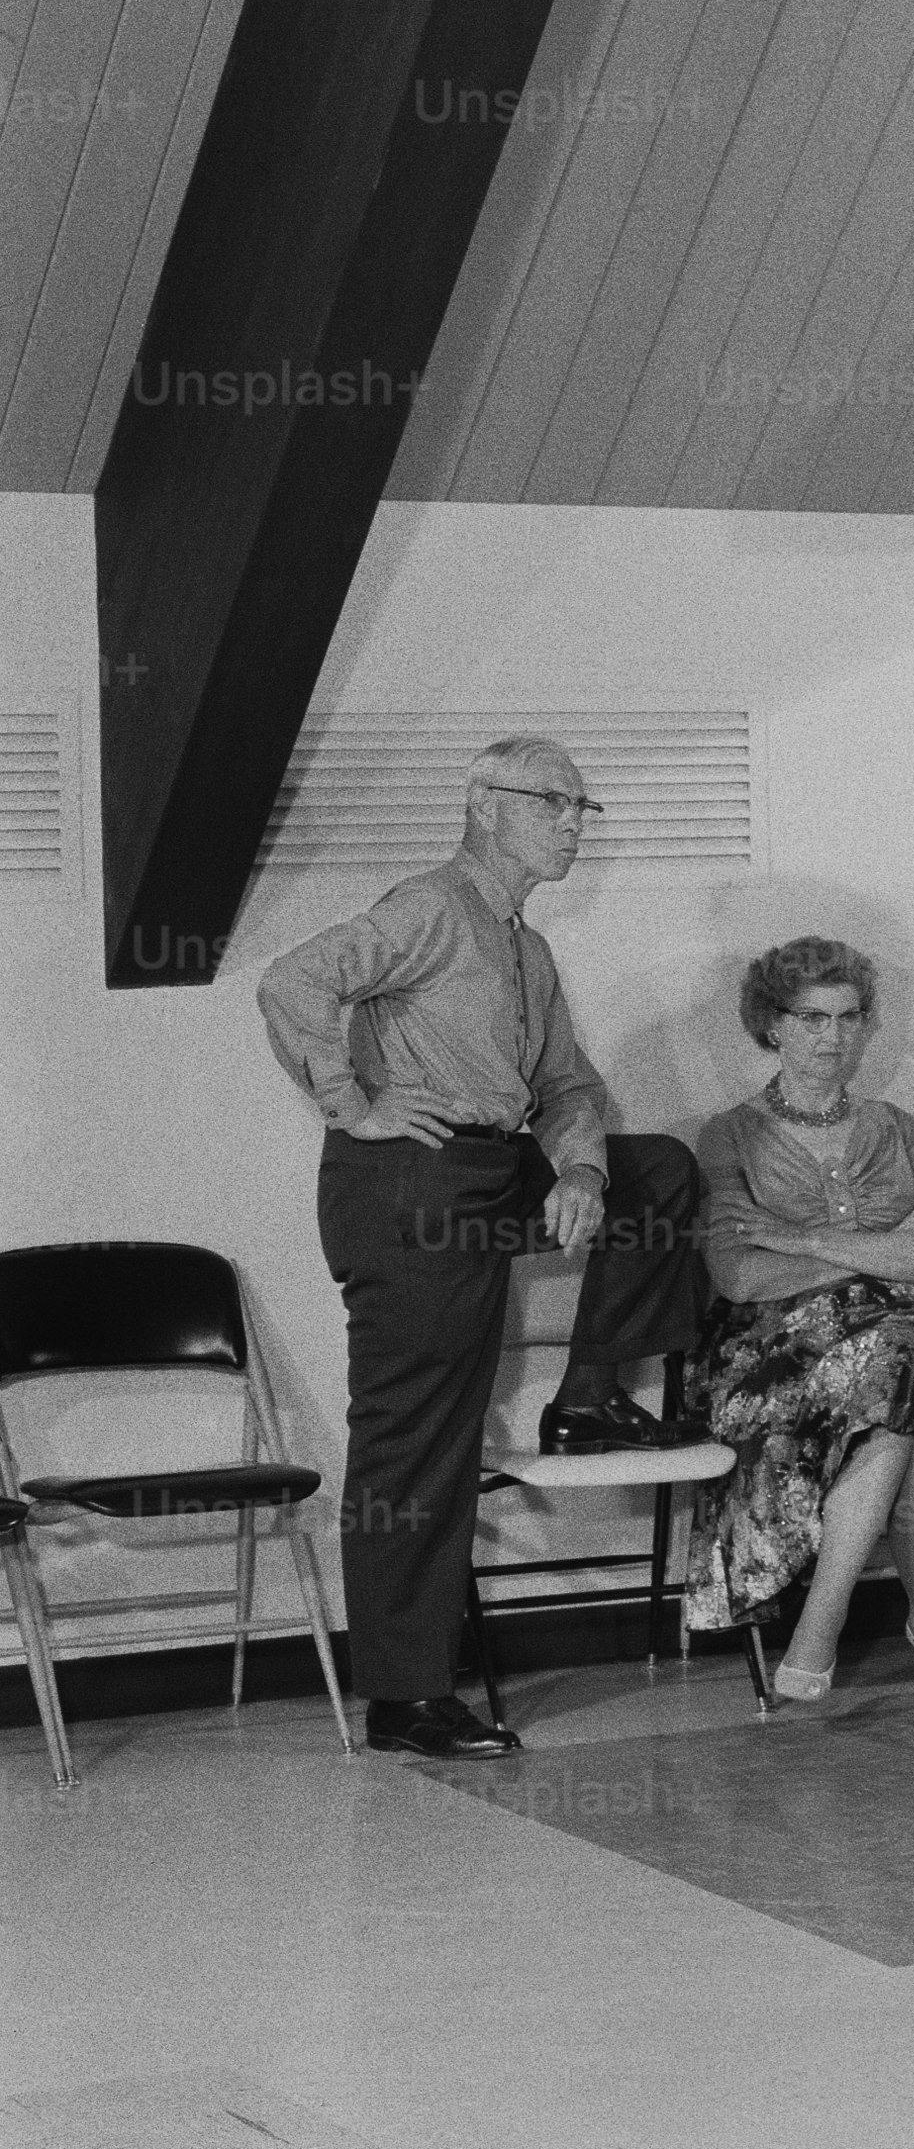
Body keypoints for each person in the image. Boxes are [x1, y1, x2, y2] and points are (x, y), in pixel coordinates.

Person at [252, 735, 710, 1761]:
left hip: (495, 1167)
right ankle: (406, 1696)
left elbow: (570, 1089)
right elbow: (292, 983)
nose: (573, 824)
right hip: (409, 1184)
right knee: (417, 1439)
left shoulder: (526, 950)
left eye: (582, 808)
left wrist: (585, 1171)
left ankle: (588, 1400)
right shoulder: (428, 908)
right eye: (555, 802)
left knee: (661, 1172)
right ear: (488, 805)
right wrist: (353, 1103)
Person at [688, 939, 914, 1696]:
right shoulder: (728, 1134)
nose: (834, 1037)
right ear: (772, 1026)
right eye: (813, 1018)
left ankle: (824, 1630)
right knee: (908, 1384)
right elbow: (740, 1273)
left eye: (850, 1017)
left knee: (901, 1366)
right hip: (781, 1353)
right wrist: (884, 1252)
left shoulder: (900, 1126)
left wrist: (807, 1240)